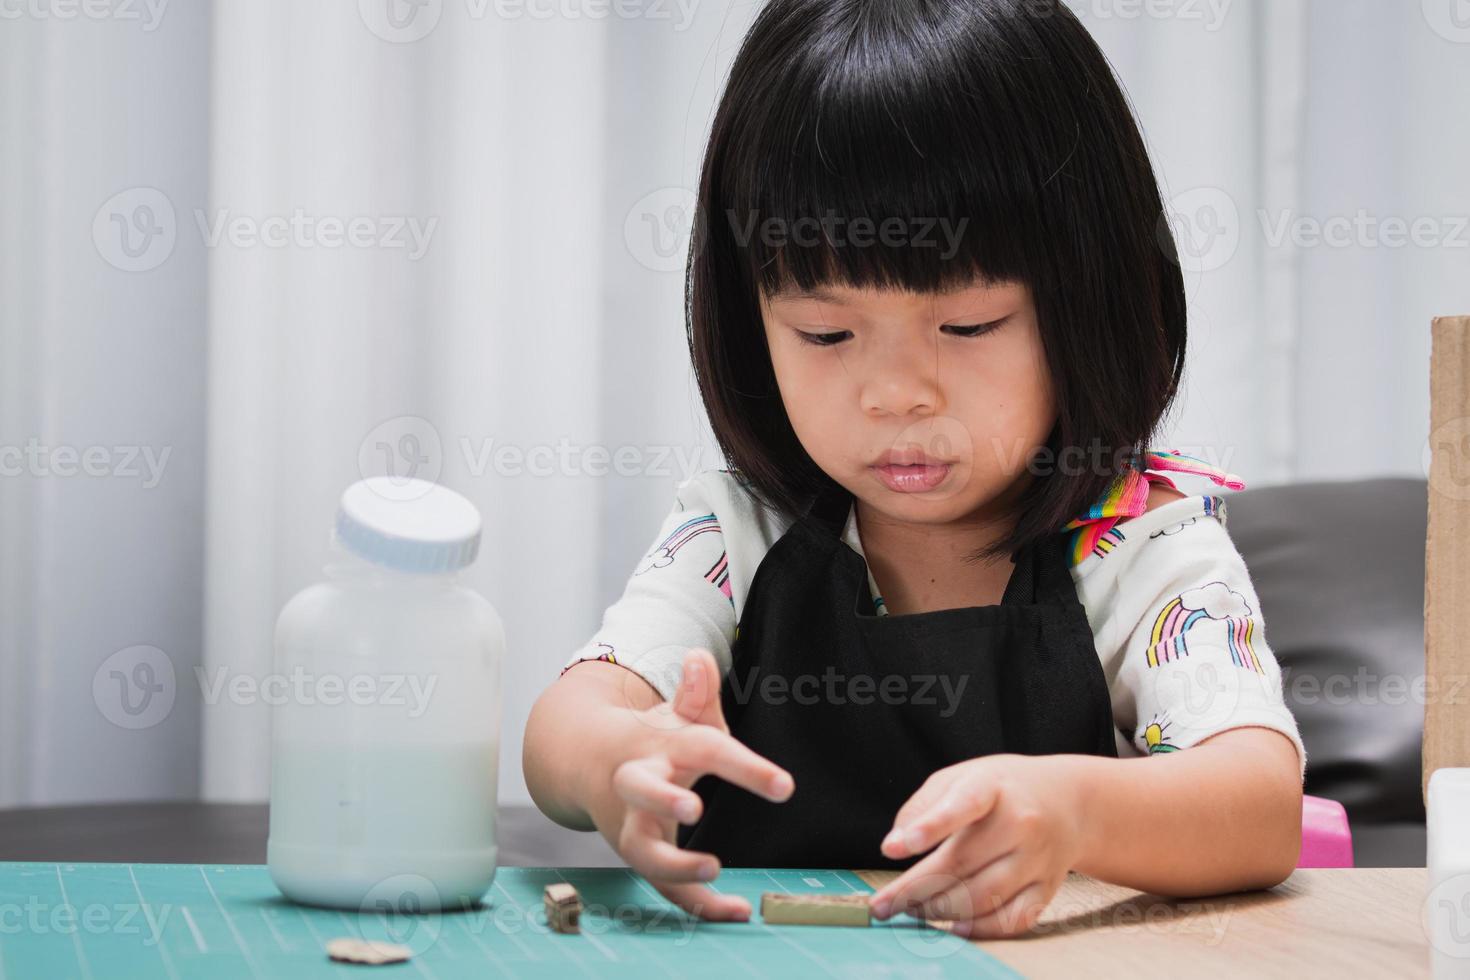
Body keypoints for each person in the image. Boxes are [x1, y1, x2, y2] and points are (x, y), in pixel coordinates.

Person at [523, 0, 1304, 939]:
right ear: (750, 320)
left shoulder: (1143, 543)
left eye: (967, 325)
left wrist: (1076, 811)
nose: (895, 395)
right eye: (826, 332)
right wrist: (617, 762)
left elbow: (1259, 801)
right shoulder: (740, 530)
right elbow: (564, 728)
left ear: (1092, 302)